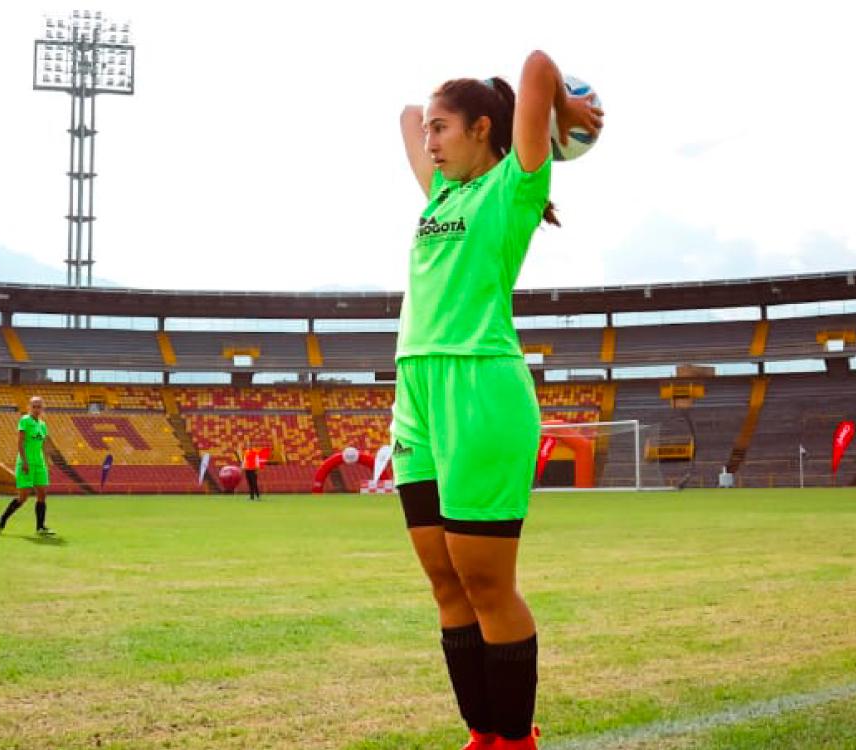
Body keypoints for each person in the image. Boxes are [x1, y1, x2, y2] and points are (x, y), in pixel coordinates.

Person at [392, 50, 601, 750]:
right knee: (444, 582)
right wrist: (441, 113)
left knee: (485, 584)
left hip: (480, 386)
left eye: (443, 129)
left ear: (483, 129)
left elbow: (537, 65)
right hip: (416, 389)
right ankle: (483, 734)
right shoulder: (441, 194)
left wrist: (560, 111)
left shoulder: (513, 187)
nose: (429, 141)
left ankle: (515, 739)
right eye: (431, 132)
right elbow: (406, 115)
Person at [0, 396, 55, 536]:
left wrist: (47, 462)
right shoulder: (25, 421)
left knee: (42, 494)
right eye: (34, 406)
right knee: (23, 497)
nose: (36, 409)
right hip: (26, 462)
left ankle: (40, 527)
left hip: (39, 463)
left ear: (42, 408)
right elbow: (20, 443)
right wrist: (24, 461)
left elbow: (44, 445)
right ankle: (3, 518)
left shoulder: (42, 424)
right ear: (29, 407)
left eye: (39, 406)